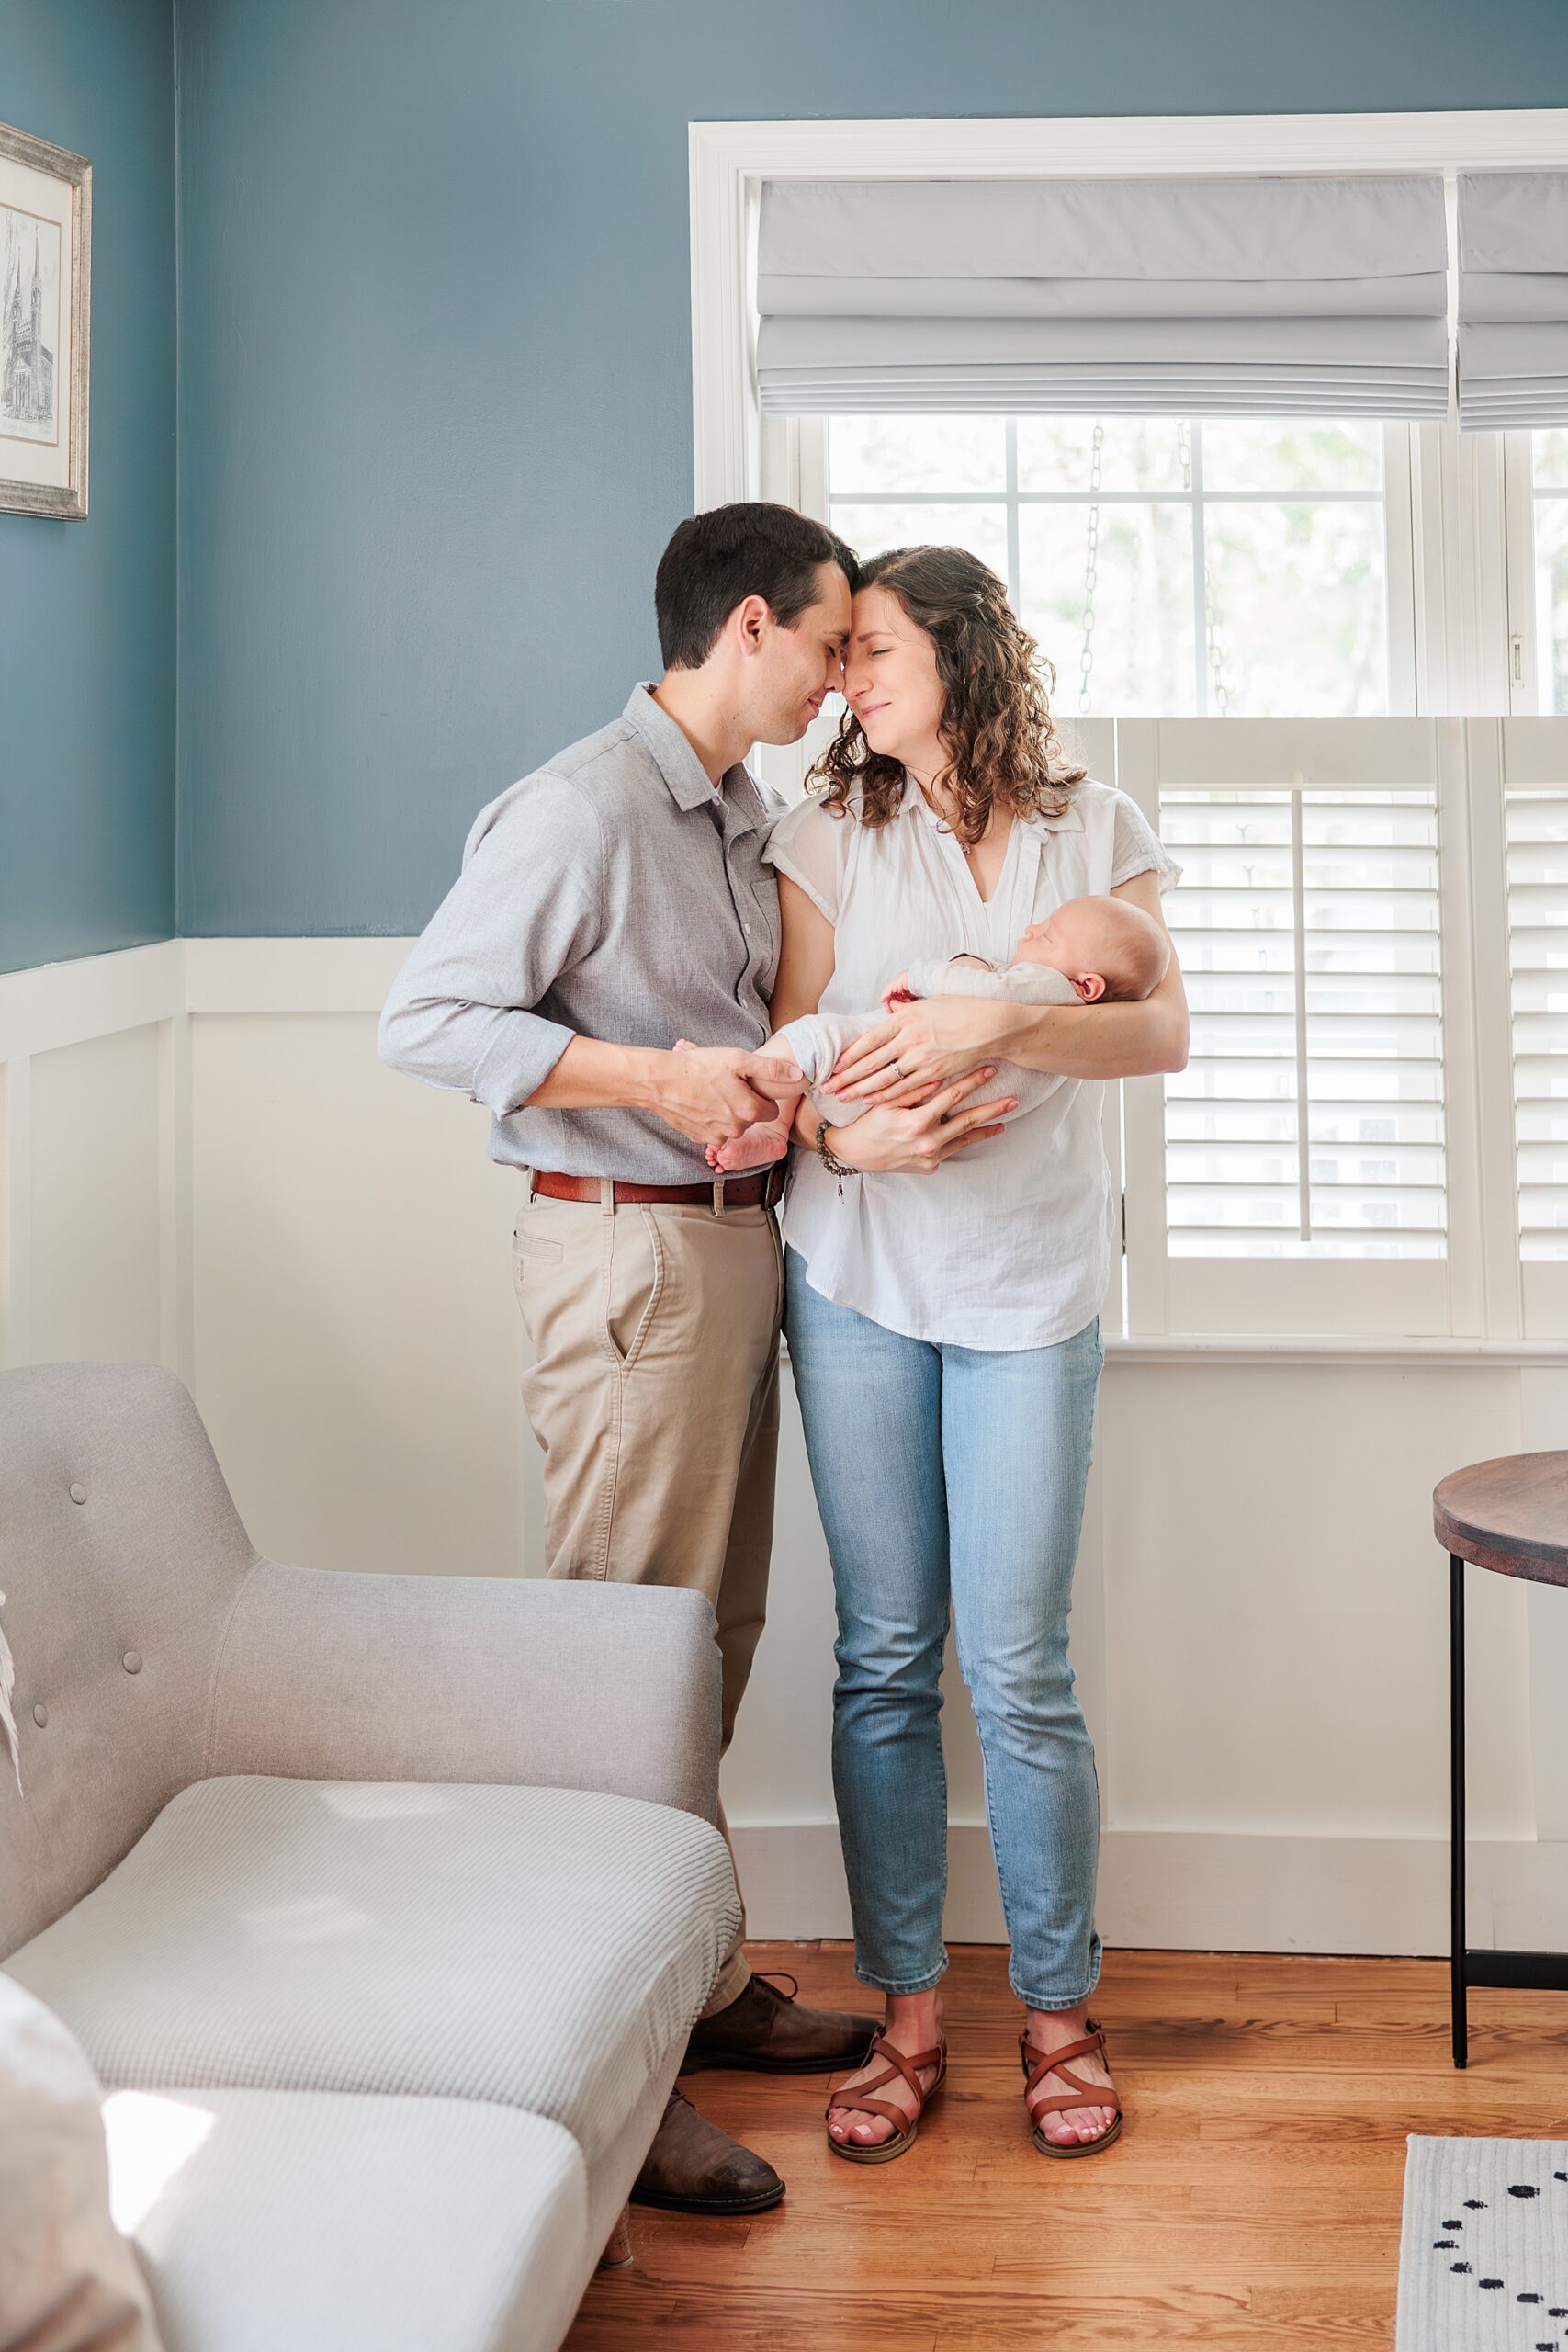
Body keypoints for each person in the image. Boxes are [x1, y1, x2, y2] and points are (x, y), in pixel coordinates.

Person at [378, 503, 931, 2217]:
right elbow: (429, 1019)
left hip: (733, 1249)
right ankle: (611, 2080)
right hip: (627, 1262)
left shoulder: (745, 812)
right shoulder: (580, 805)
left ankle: (684, 1988)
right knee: (617, 1665)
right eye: (835, 643)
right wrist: (668, 1080)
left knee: (699, 1645)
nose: (848, 677)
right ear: (748, 627)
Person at [760, 544, 1189, 2164]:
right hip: (858, 1272)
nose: (845, 677)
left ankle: (1058, 2016)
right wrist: (852, 1147)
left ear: (960, 653)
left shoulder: (1097, 824)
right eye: (839, 653)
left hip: (1029, 1291)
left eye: (873, 648)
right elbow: (800, 1058)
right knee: (882, 1659)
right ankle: (909, 2013)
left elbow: (1159, 1029)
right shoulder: (824, 829)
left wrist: (1005, 1023)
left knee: (1017, 1671)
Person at [702, 892, 1169, 1172]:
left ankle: (751, 1102)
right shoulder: (1073, 1043)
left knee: (809, 1040)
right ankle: (765, 1122)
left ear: (1088, 986)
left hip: (872, 1067)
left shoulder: (1048, 988)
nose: (1030, 929)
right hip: (901, 1112)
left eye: (1047, 936)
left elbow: (985, 987)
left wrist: (924, 977)